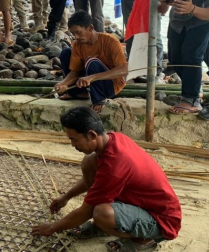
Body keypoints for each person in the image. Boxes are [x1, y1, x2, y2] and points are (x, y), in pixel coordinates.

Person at [31, 107, 181, 251]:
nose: (72, 145)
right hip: (140, 204)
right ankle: (108, 225)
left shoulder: (115, 165)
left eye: (74, 140)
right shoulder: (114, 138)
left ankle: (143, 240)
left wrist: (52, 227)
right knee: (89, 161)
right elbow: (100, 181)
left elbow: (86, 211)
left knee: (101, 213)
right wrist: (66, 197)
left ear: (92, 135)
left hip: (161, 221)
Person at [54, 11, 128, 113]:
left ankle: (99, 99)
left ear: (90, 28)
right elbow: (75, 71)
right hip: (90, 79)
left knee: (91, 61)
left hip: (110, 85)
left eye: (79, 32)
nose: (76, 37)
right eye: (73, 33)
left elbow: (124, 69)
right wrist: (63, 83)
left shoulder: (111, 41)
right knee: (66, 53)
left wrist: (92, 77)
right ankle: (79, 93)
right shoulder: (77, 44)